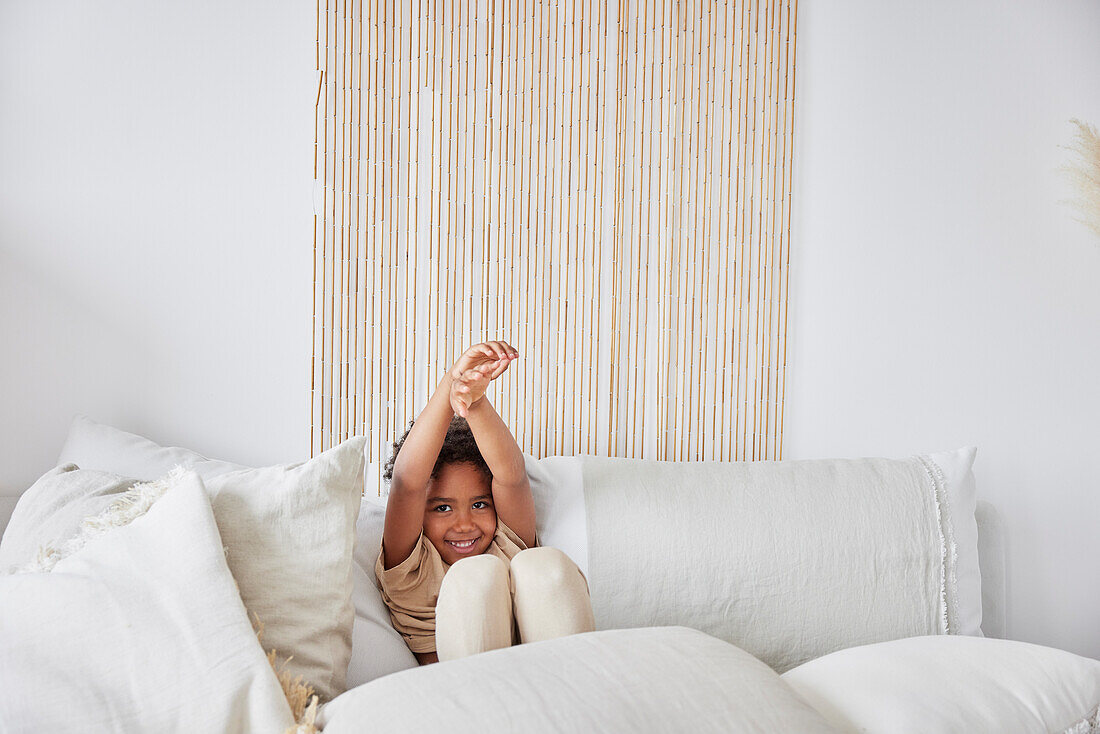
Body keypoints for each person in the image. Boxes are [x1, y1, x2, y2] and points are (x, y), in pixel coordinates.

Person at [376, 340, 595, 664]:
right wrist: (452, 384)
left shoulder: (507, 545)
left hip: (547, 678)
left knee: (543, 564)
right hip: (465, 696)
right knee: (475, 578)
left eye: (480, 504)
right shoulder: (412, 568)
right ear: (419, 515)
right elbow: (408, 483)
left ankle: (575, 695)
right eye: (442, 507)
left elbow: (511, 476)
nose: (464, 524)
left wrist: (474, 404)